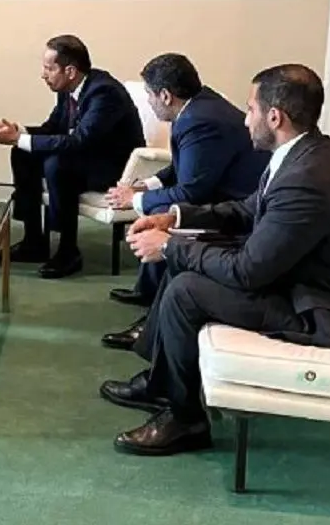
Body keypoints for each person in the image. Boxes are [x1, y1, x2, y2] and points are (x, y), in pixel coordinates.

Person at [101, 64, 330, 457]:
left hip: (327, 311)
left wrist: (168, 247)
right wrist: (176, 219)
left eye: (251, 109)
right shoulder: (304, 152)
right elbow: (248, 209)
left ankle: (186, 420)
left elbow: (248, 272)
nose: (245, 119)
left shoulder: (307, 177)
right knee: (184, 261)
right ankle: (161, 384)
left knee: (186, 290)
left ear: (275, 117)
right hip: (303, 280)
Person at [101, 53, 270, 349]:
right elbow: (185, 167)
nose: (149, 102)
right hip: (226, 194)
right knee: (160, 207)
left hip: (239, 209)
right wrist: (146, 185)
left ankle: (152, 324)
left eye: (150, 95)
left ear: (166, 96)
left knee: (166, 214)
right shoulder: (199, 106)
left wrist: (137, 199)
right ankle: (148, 291)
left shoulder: (199, 121)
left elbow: (191, 192)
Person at [0, 35, 144, 279]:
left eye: (49, 68)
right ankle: (34, 240)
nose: (43, 74)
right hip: (86, 158)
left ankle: (68, 250)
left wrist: (19, 138)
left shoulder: (104, 93)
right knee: (23, 153)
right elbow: (53, 128)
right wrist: (19, 133)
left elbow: (80, 140)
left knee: (58, 164)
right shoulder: (68, 89)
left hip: (113, 168)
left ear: (70, 71)